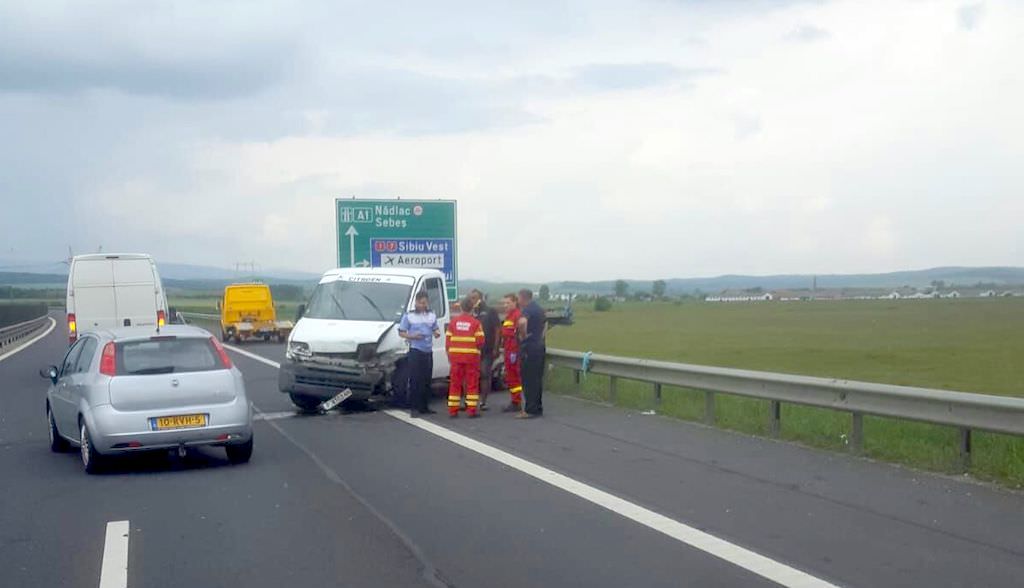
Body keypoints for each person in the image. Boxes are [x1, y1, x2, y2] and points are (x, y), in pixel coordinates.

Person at [398, 291, 441, 417]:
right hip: (416, 350)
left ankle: (424, 406)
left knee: (426, 380)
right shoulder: (409, 316)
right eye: (421, 303)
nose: (423, 305)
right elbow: (401, 332)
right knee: (415, 380)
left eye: (425, 303)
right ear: (416, 302)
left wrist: (437, 332)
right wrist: (412, 336)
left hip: (428, 350)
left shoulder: (431, 315)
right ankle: (414, 408)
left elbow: (435, 327)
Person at [446, 297, 485, 417]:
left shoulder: (453, 322)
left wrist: (450, 355)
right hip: (471, 358)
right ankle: (471, 410)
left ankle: (453, 410)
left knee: (455, 383)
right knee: (472, 383)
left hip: (456, 358)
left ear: (461, 307)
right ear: (472, 308)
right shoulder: (476, 323)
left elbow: (448, 341)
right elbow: (480, 341)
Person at [517, 288, 547, 419]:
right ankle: (537, 407)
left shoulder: (527, 310)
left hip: (529, 347)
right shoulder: (539, 309)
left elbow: (522, 322)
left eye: (519, 298)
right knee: (537, 379)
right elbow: (546, 324)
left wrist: (523, 336)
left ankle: (530, 410)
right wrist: (540, 336)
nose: (518, 301)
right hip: (539, 345)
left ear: (523, 298)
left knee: (528, 379)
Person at [469, 289, 501, 411]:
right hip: (472, 349)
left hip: (487, 349)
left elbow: (498, 329)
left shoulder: (490, 311)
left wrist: (496, 347)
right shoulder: (471, 313)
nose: (473, 300)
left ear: (481, 298)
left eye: (475, 298)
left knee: (484, 373)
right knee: (471, 375)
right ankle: (470, 401)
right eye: (471, 298)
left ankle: (483, 401)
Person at [500, 293, 524, 412]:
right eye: (504, 303)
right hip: (508, 350)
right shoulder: (508, 316)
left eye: (508, 303)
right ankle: (515, 400)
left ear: (515, 302)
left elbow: (519, 334)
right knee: (510, 377)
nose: (505, 305)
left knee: (515, 376)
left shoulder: (517, 315)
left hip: (514, 350)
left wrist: (516, 351)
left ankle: (517, 401)